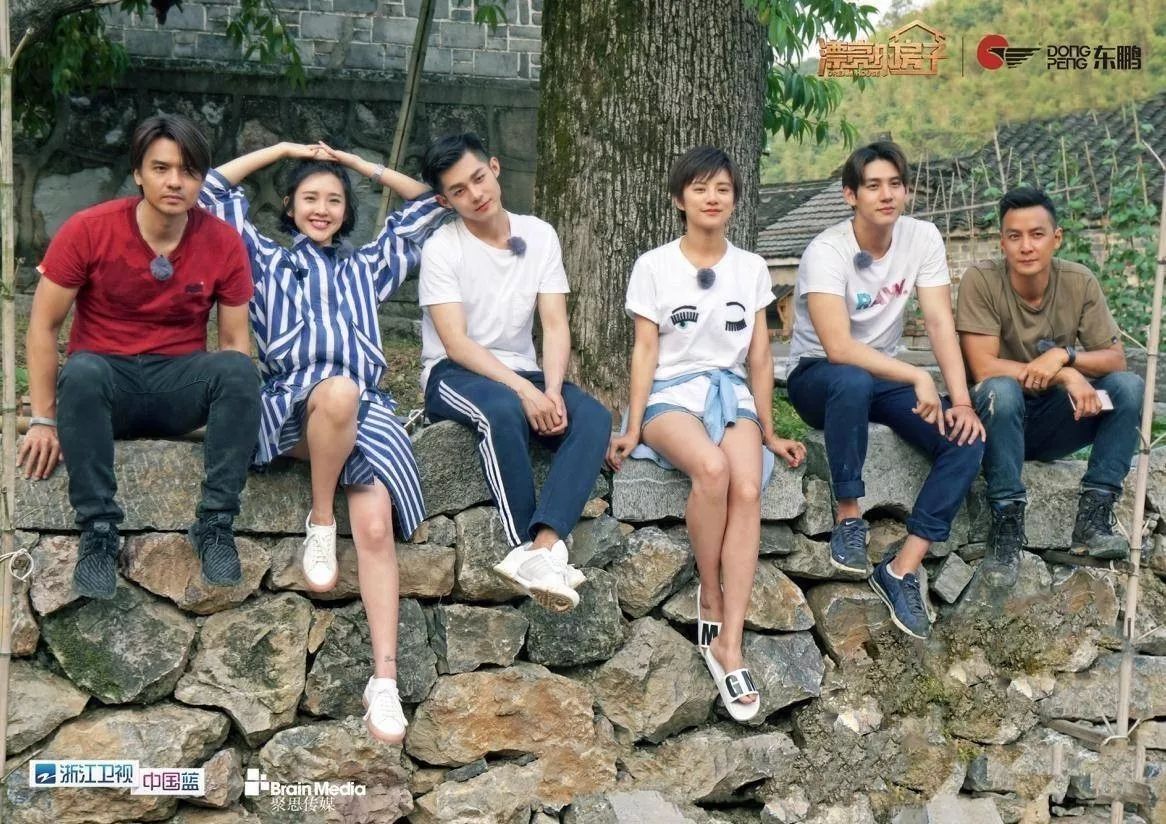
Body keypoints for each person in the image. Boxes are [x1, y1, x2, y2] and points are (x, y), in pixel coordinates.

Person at [198, 140, 446, 743]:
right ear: (289, 206)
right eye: (309, 197)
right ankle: (320, 520)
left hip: (366, 409)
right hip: (290, 407)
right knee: (335, 394)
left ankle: (383, 682)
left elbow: (434, 204)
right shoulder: (263, 259)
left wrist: (358, 164)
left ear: (346, 211)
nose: (322, 208)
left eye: (334, 200)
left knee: (377, 527)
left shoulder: (369, 266)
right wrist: (282, 149)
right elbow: (210, 190)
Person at [18, 114, 259, 601]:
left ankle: (215, 524)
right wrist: (43, 419)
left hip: (178, 388)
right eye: (161, 168)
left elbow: (235, 341)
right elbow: (43, 327)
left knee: (237, 369)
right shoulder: (89, 229)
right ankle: (98, 531)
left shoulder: (222, 241)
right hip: (105, 386)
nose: (175, 182)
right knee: (82, 370)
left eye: (188, 171)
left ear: (201, 179)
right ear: (138, 174)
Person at [606, 146, 805, 721]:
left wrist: (769, 431)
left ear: (734, 200)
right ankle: (710, 591)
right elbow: (646, 351)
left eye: (722, 189)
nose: (712, 198)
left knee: (748, 485)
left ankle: (729, 642)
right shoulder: (654, 266)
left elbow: (760, 358)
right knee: (712, 470)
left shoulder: (752, 268)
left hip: (730, 393)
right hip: (672, 396)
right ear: (680, 199)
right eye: (700, 188)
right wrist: (634, 425)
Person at [785, 140, 985, 640]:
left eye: (895, 184)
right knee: (852, 379)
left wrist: (961, 402)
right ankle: (849, 519)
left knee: (966, 439)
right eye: (873, 185)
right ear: (850, 195)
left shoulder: (922, 237)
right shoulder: (827, 251)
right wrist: (917, 375)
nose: (886, 194)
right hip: (818, 377)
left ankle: (900, 570)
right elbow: (838, 348)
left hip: (883, 376)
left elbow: (939, 322)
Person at [417, 132, 611, 613]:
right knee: (504, 408)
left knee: (593, 417)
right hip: (453, 373)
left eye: (478, 178)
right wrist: (526, 391)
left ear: (495, 168)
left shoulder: (539, 235)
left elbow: (555, 324)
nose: (475, 194)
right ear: (445, 201)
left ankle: (543, 549)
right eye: (459, 190)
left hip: (525, 370)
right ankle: (523, 544)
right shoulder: (443, 247)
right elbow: (456, 342)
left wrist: (552, 391)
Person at [956, 186, 1144, 586]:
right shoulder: (981, 280)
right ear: (1002, 242)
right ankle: (1006, 524)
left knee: (1128, 388)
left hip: (1056, 421)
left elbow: (1115, 359)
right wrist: (1064, 374)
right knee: (1002, 390)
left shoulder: (1078, 281)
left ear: (1056, 238)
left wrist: (1065, 356)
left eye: (1037, 234)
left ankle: (1093, 519)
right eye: (1014, 236)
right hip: (997, 421)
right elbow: (983, 366)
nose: (1026, 246)